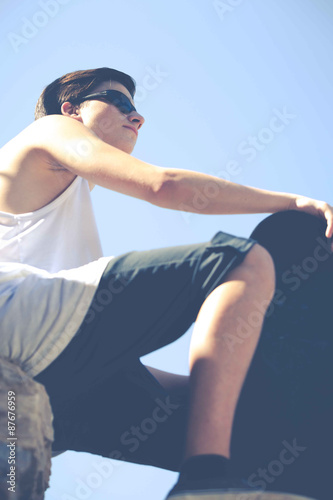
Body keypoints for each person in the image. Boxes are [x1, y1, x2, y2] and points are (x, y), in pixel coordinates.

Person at [0, 67, 332, 500]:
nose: (136, 117)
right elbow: (163, 186)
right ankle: (204, 479)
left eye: (137, 109)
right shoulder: (49, 130)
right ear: (72, 109)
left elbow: (82, 344)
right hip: (18, 329)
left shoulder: (61, 229)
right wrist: (296, 203)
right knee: (236, 262)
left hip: (57, 382)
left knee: (234, 416)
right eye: (120, 102)